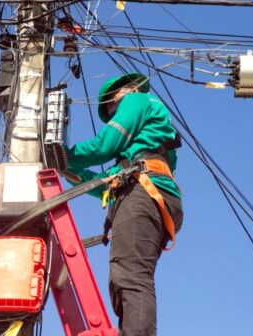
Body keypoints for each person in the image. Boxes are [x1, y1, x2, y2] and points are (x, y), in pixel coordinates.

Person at [63, 73, 183, 336]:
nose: (109, 109)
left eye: (110, 101)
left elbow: (105, 145)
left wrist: (63, 156)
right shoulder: (137, 154)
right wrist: (72, 172)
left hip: (145, 192)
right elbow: (108, 188)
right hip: (146, 192)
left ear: (128, 88)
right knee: (124, 279)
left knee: (130, 277)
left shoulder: (136, 98)